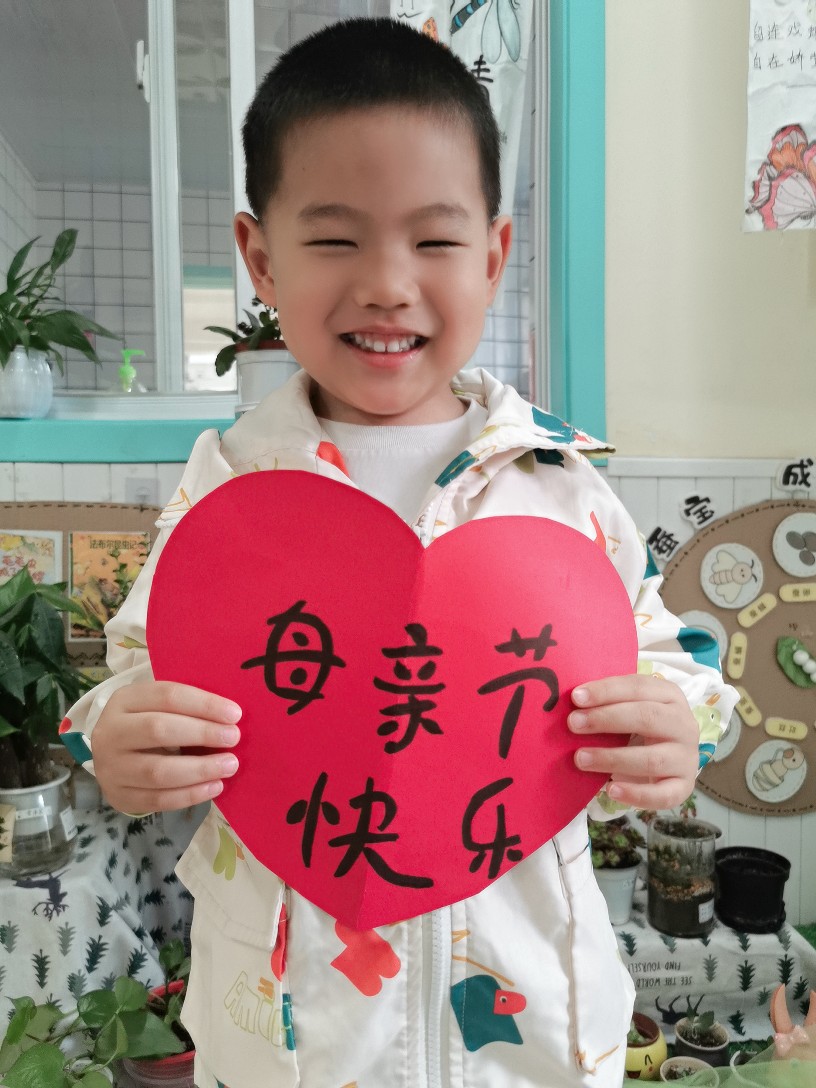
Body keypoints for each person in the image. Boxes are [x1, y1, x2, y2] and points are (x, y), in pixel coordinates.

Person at [61, 18, 736, 1088]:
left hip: (531, 1036)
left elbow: (673, 658)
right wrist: (117, 733)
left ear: (494, 256)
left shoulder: (559, 486)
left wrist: (675, 723)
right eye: (335, 240)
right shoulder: (227, 493)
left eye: (434, 241)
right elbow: (133, 672)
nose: (386, 282)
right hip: (292, 1040)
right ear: (260, 257)